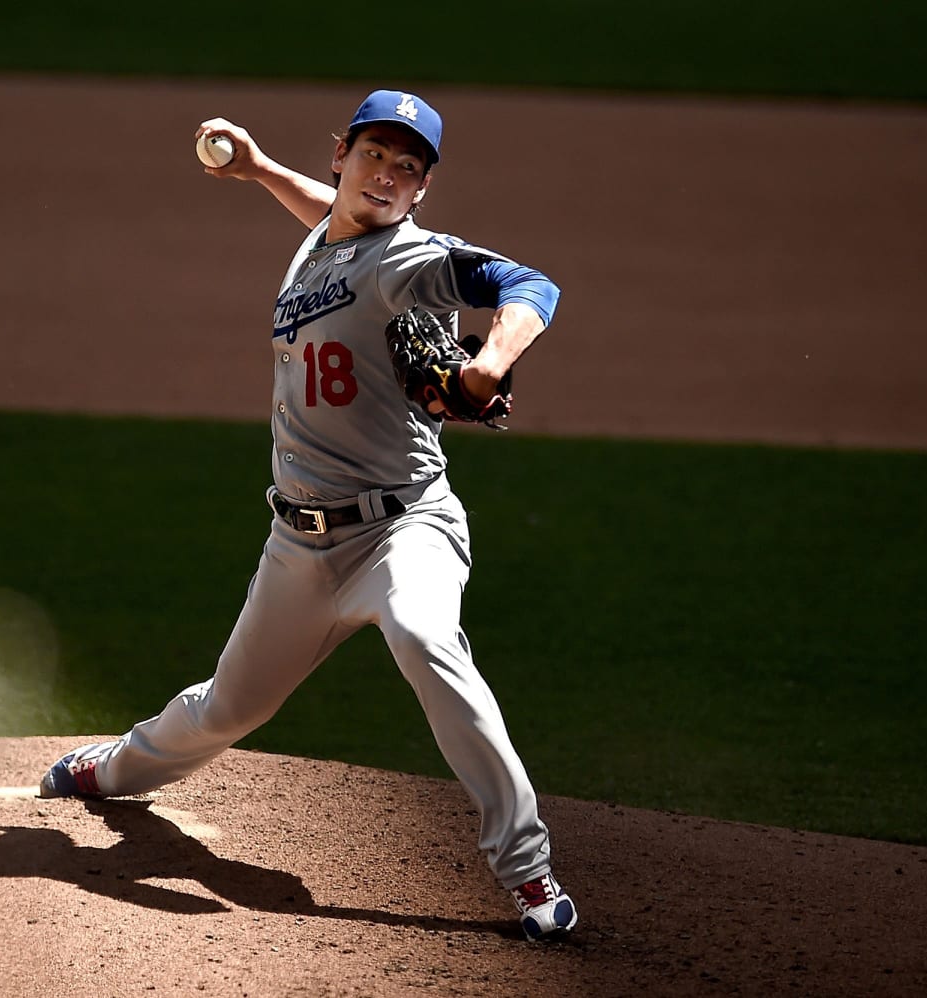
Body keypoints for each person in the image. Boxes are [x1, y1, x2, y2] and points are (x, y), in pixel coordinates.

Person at [37, 89, 577, 941]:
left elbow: (527, 284)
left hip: (406, 527)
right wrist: (254, 170)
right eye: (374, 154)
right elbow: (326, 216)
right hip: (299, 543)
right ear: (341, 154)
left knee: (424, 638)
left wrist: (484, 363)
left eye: (410, 167)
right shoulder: (326, 240)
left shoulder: (411, 259)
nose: (388, 175)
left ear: (423, 190)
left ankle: (528, 868)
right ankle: (113, 771)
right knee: (228, 709)